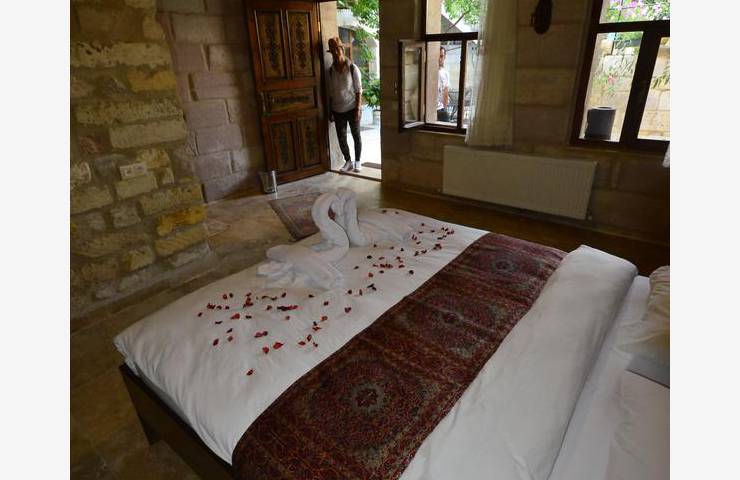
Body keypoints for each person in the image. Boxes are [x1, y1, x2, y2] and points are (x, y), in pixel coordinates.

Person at [326, 37, 363, 173]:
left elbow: (358, 90)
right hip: (337, 110)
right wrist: (330, 110)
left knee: (356, 135)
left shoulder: (353, 68)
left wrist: (358, 109)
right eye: (333, 51)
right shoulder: (330, 72)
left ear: (342, 49)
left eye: (337, 49)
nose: (336, 53)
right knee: (342, 138)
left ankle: (357, 161)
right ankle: (348, 161)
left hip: (352, 108)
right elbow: (330, 93)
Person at [437, 46, 450, 122]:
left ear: (444, 57)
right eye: (438, 56)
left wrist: (445, 108)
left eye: (441, 56)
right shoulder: (428, 71)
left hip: (440, 108)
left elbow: (446, 92)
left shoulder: (445, 73)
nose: (439, 59)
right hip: (429, 109)